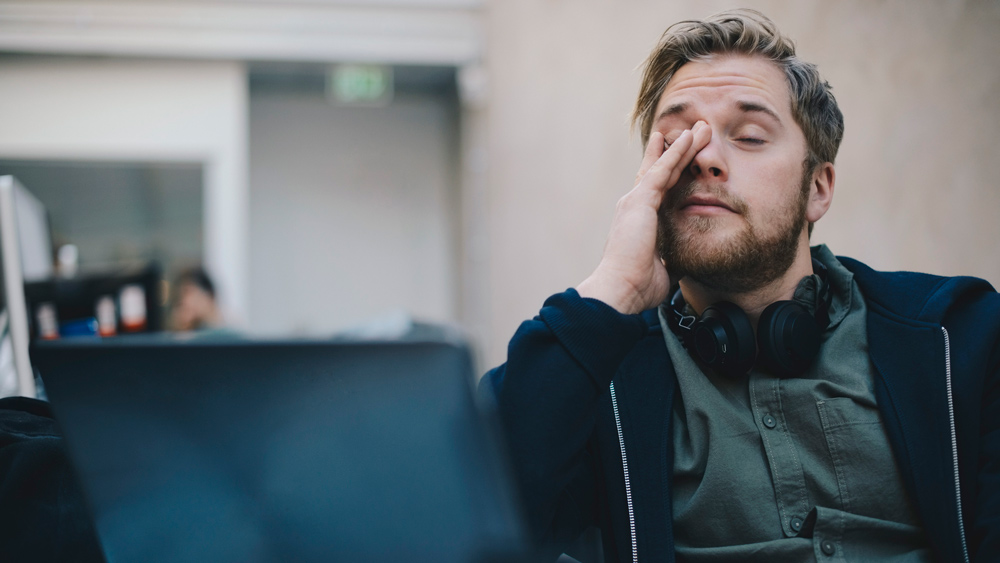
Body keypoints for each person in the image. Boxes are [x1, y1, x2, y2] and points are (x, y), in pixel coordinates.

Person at [481, 9, 999, 563]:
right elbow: (473, 520)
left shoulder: (959, 335)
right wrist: (613, 290)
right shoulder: (599, 375)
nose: (703, 158)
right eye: (678, 140)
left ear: (818, 188)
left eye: (750, 136)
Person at [169, 267, 223, 332]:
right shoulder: (192, 331)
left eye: (188, 292)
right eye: (180, 296)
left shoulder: (231, 330)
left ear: (209, 295)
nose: (184, 301)